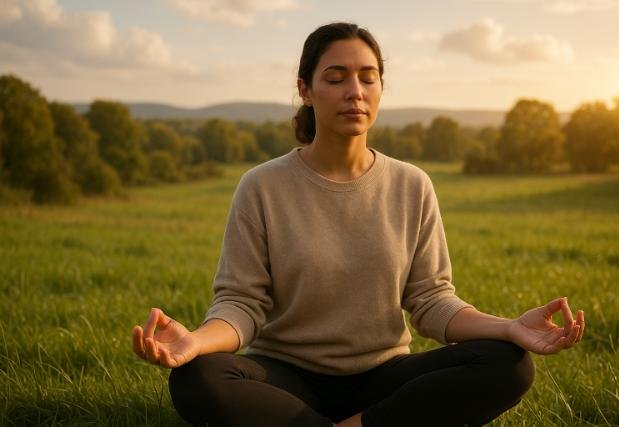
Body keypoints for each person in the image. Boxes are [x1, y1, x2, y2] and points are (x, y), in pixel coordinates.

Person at [132, 22, 585, 426]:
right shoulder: (261, 186)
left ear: (381, 89)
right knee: (197, 378)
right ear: (305, 90)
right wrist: (195, 341)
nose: (355, 91)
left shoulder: (412, 184)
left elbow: (431, 301)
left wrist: (508, 327)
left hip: (382, 375)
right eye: (335, 78)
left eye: (368, 78)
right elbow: (240, 304)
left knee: (509, 364)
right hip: (284, 374)